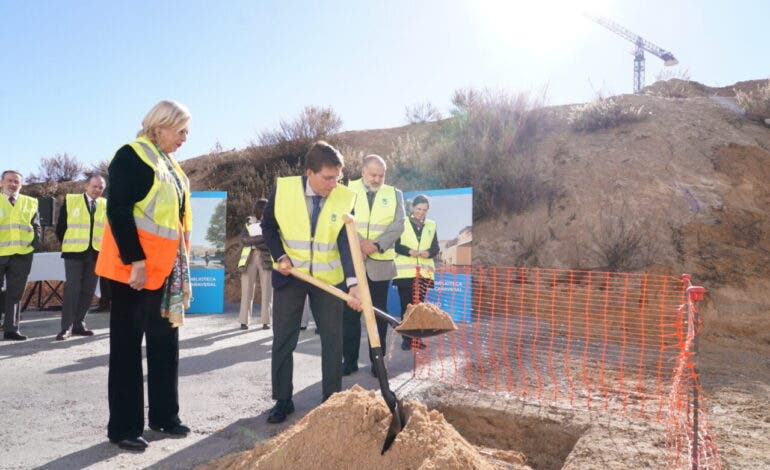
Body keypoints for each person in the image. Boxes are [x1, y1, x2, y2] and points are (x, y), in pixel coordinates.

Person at [95, 100, 193, 452]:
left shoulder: (171, 164)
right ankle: (123, 427)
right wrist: (135, 259)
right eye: (181, 130)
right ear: (160, 126)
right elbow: (118, 209)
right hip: (132, 270)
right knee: (126, 348)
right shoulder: (133, 155)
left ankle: (165, 416)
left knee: (165, 344)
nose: (185, 137)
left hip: (164, 270)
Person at [261, 140, 362, 424]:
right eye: (328, 178)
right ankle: (283, 400)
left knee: (333, 340)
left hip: (328, 280)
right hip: (290, 276)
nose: (333, 184)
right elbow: (268, 227)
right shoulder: (284, 189)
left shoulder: (344, 196)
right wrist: (280, 256)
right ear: (310, 172)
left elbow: (346, 242)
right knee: (284, 339)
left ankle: (332, 400)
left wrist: (353, 283)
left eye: (337, 177)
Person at [342, 155, 405, 376]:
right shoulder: (346, 189)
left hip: (380, 264)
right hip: (352, 263)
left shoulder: (395, 194)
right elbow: (340, 219)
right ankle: (348, 361)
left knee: (378, 314)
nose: (377, 179)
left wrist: (376, 245)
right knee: (349, 313)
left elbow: (398, 225)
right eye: (373, 174)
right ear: (363, 171)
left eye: (381, 175)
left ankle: (377, 362)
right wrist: (359, 243)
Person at [54, 174, 107, 340]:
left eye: (101, 187)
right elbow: (61, 228)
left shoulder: (105, 204)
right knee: (73, 289)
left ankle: (79, 324)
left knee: (88, 290)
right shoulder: (71, 201)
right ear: (86, 186)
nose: (97, 190)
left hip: (95, 253)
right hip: (74, 253)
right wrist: (70, 244)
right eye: (95, 186)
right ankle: (66, 327)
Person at [393, 194, 439, 351]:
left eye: (425, 210)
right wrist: (409, 251)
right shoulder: (402, 223)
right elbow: (395, 245)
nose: (421, 212)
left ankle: (417, 340)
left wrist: (429, 253)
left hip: (424, 274)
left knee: (419, 307)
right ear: (412, 208)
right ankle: (407, 339)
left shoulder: (431, 225)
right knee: (407, 307)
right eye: (419, 209)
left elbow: (435, 248)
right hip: (405, 274)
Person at [0, 170, 41, 341]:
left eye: (16, 181)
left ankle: (12, 329)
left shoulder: (30, 202)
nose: (13, 184)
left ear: (21, 185)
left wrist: (35, 245)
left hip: (22, 255)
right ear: (1, 183)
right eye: (9, 180)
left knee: (15, 293)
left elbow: (36, 225)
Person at [238, 198, 273, 330]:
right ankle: (244, 320)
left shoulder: (271, 221)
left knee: (267, 291)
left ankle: (266, 321)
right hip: (249, 258)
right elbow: (243, 239)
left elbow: (269, 238)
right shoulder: (248, 221)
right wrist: (260, 239)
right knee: (246, 290)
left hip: (266, 258)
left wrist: (253, 240)